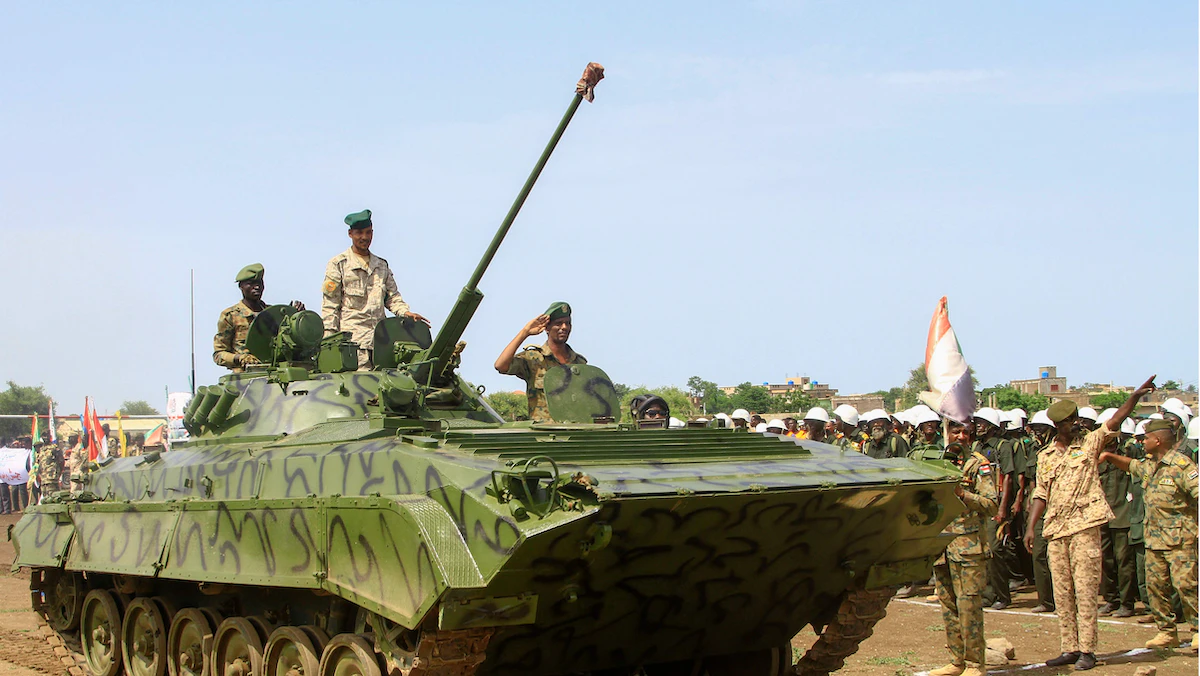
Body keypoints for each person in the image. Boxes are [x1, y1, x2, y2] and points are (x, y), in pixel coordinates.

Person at [1023, 377, 1155, 671]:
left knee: (1085, 591)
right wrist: (1031, 527)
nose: (1074, 424)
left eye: (1075, 419)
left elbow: (1115, 420)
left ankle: (1087, 650)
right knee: (1063, 593)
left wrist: (1135, 396)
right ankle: (1069, 647)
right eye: (1068, 422)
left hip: (1084, 526)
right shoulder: (1045, 456)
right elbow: (1041, 493)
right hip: (1056, 529)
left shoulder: (1089, 443)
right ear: (1057, 425)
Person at [1099, 419, 1198, 652]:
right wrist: (1109, 457)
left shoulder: (1182, 466)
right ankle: (1166, 632)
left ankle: (1197, 629)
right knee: (1155, 587)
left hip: (1180, 540)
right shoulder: (1150, 465)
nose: (1142, 442)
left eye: (1145, 438)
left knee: (1186, 586)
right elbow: (1131, 466)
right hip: (1153, 540)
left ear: (1158, 440)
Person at [930, 418, 998, 676]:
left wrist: (962, 494)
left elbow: (991, 505)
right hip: (942, 546)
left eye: (965, 432)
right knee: (948, 606)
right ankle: (956, 661)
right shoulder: (938, 461)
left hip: (968, 547)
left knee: (969, 607)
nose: (960, 436)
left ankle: (974, 664)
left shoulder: (978, 464)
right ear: (946, 432)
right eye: (955, 431)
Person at [322, 209, 430, 369]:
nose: (364, 237)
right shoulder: (339, 264)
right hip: (353, 346)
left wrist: (405, 312)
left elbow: (392, 297)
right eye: (359, 233)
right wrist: (328, 343)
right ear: (350, 234)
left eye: (368, 232)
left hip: (382, 345)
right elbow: (330, 305)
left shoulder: (381, 266)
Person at [494, 302, 585, 423]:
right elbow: (500, 365)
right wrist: (525, 332)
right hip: (543, 431)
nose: (564, 327)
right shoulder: (534, 358)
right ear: (547, 328)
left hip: (574, 429)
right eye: (558, 323)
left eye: (567, 323)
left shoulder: (579, 362)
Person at [213, 263, 305, 371]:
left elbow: (293, 345)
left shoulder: (274, 314)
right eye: (250, 284)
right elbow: (219, 355)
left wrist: (298, 319)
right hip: (246, 375)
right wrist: (240, 358)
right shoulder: (231, 315)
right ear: (241, 286)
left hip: (277, 372)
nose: (257, 287)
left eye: (259, 283)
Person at [1097, 410, 1137, 618]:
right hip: (1102, 514)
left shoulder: (1129, 452)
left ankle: (1127, 602)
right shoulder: (1096, 454)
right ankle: (1111, 599)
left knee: (1123, 561)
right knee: (1106, 560)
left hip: (1123, 514)